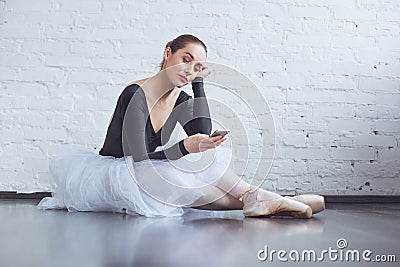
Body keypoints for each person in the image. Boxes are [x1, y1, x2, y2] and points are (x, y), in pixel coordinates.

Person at [37, 34, 325, 218]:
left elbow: (203, 128)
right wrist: (184, 147)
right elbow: (137, 158)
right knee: (175, 172)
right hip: (110, 175)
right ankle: (268, 198)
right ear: (167, 53)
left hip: (142, 170)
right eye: (185, 60)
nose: (189, 69)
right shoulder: (136, 93)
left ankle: (259, 199)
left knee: (203, 154)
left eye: (197, 66)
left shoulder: (180, 97)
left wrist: (199, 84)